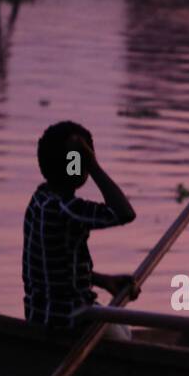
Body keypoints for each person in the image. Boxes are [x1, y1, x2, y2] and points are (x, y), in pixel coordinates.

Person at [23, 120, 139, 336]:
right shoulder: (67, 209)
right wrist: (92, 165)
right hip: (69, 320)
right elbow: (125, 213)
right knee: (123, 334)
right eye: (81, 159)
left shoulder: (39, 199)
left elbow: (54, 266)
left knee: (123, 327)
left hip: (39, 315)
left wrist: (102, 280)